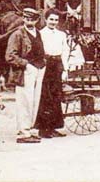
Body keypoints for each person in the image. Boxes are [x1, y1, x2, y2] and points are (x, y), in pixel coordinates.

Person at [5, 7, 45, 143]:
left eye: (32, 19)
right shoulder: (17, 34)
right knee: (24, 101)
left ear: (37, 20)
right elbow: (10, 56)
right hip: (25, 72)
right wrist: (26, 65)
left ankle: (30, 129)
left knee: (35, 101)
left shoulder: (38, 33)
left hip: (38, 70)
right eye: (27, 18)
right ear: (23, 19)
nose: (29, 21)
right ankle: (23, 133)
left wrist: (42, 63)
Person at [35, 8, 69, 138]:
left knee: (56, 95)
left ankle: (54, 126)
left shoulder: (62, 34)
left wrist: (65, 69)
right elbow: (38, 51)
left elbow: (65, 51)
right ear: (46, 20)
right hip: (46, 64)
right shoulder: (40, 34)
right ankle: (43, 129)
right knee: (45, 96)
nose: (53, 22)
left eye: (56, 20)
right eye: (51, 19)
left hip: (57, 64)